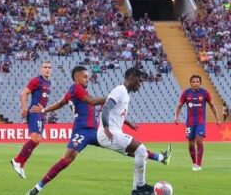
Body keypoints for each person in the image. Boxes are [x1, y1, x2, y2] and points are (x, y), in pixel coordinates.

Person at [27, 65, 108, 193]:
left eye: (88, 77)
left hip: (95, 131)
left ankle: (141, 169)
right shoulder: (76, 88)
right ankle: (37, 187)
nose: (87, 79)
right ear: (76, 79)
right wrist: (112, 96)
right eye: (85, 76)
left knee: (126, 146)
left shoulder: (76, 92)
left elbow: (60, 103)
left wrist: (43, 110)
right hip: (82, 132)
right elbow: (92, 101)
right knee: (66, 160)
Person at [97, 68, 171, 195]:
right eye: (139, 81)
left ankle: (136, 190)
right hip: (109, 133)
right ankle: (140, 186)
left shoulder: (126, 95)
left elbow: (116, 113)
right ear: (131, 77)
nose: (141, 84)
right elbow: (106, 108)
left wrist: (127, 122)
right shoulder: (120, 90)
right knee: (141, 149)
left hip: (114, 132)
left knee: (142, 155)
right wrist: (106, 127)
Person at [11, 61, 53, 178]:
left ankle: (21, 164)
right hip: (34, 112)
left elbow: (44, 100)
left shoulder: (48, 82)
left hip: (41, 114)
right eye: (45, 67)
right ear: (41, 69)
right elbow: (23, 94)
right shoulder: (36, 80)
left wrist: (45, 113)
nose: (47, 69)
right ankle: (17, 160)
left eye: (49, 67)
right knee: (35, 138)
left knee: (37, 140)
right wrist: (24, 108)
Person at [173, 75, 221, 171]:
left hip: (200, 122)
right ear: (191, 83)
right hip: (189, 122)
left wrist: (217, 119)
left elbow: (211, 105)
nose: (196, 83)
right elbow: (179, 106)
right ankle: (194, 163)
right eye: (194, 82)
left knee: (199, 140)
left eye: (197, 82)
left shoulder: (205, 93)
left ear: (200, 83)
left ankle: (199, 164)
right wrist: (176, 117)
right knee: (191, 143)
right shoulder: (186, 93)